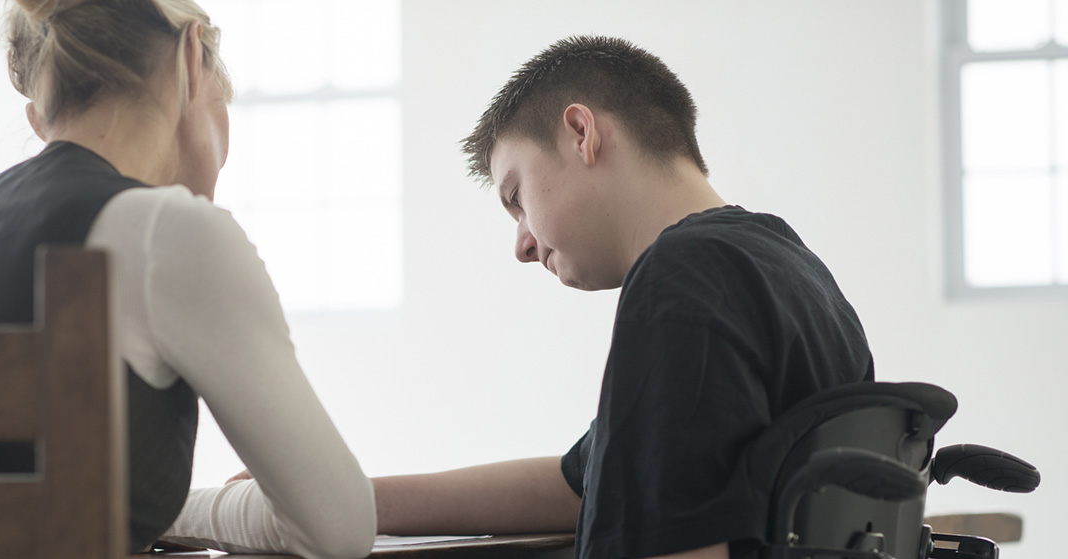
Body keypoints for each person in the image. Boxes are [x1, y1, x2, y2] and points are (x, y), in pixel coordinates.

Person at [0, 0, 374, 556]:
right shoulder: (169, 232)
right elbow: (338, 530)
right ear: (188, 58)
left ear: (42, 117)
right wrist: (188, 510)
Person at [367, 35, 875, 559]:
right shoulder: (788, 267)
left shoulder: (683, 276)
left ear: (580, 134)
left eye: (517, 198)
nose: (521, 245)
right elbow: (577, 483)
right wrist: (353, 503)